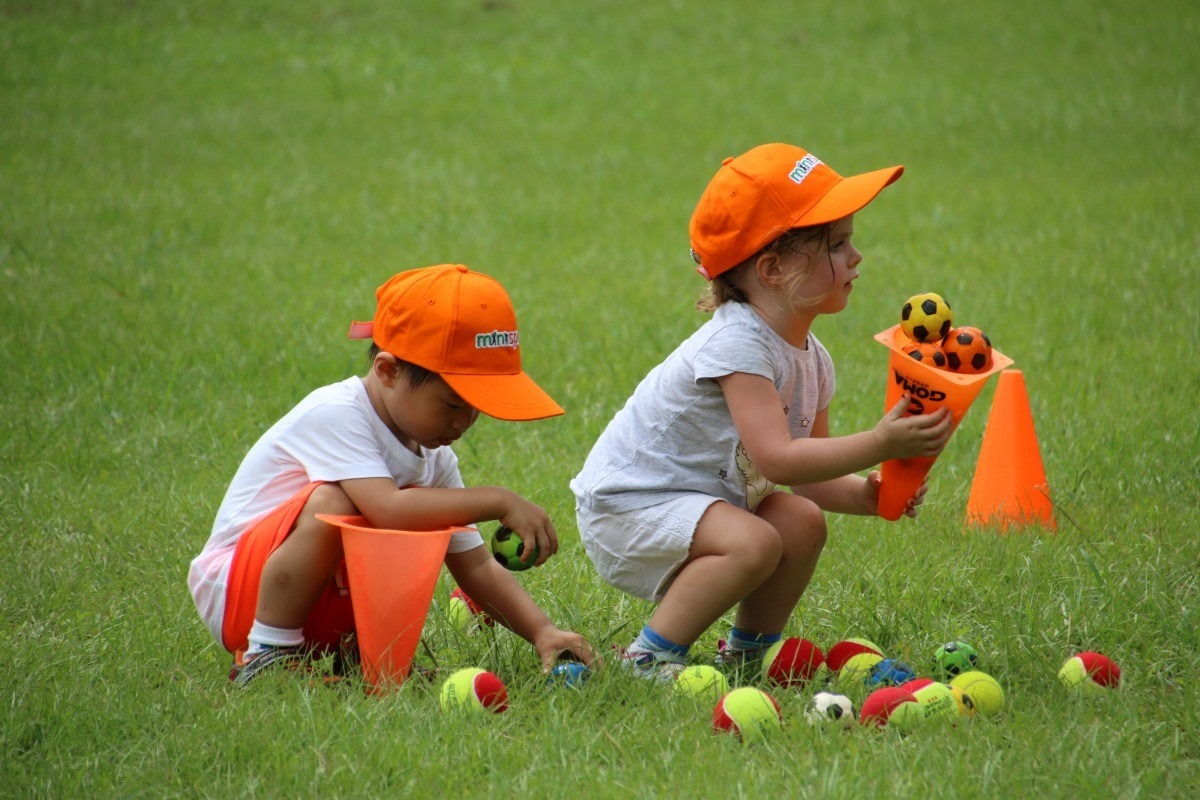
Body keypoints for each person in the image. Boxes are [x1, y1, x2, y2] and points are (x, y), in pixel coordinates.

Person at [570, 143, 953, 680]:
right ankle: (648, 657)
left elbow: (810, 479)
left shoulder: (813, 359)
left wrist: (871, 497)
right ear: (773, 269)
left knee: (800, 521)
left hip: (693, 507)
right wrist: (879, 442)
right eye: (836, 244)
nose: (856, 256)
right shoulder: (738, 343)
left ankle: (749, 655)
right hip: (627, 509)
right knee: (755, 540)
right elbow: (777, 459)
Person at [189, 263, 595, 685]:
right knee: (339, 502)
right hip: (239, 594)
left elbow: (475, 565)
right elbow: (388, 509)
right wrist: (499, 500)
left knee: (423, 516)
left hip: (316, 607)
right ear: (387, 370)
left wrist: (542, 631)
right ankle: (266, 656)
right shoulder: (338, 413)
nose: (465, 421)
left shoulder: (435, 459)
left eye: (478, 406)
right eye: (453, 404)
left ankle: (366, 659)